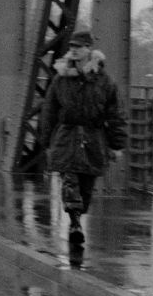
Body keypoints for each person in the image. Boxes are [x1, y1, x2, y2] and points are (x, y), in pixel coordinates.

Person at [38, 29, 127, 244]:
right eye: (72, 47)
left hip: (93, 138)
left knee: (86, 186)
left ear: (89, 49)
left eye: (79, 47)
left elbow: (115, 114)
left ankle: (78, 215)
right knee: (70, 180)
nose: (74, 50)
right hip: (67, 136)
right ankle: (75, 222)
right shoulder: (61, 80)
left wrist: (117, 145)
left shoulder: (105, 82)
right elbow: (49, 111)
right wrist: (47, 141)